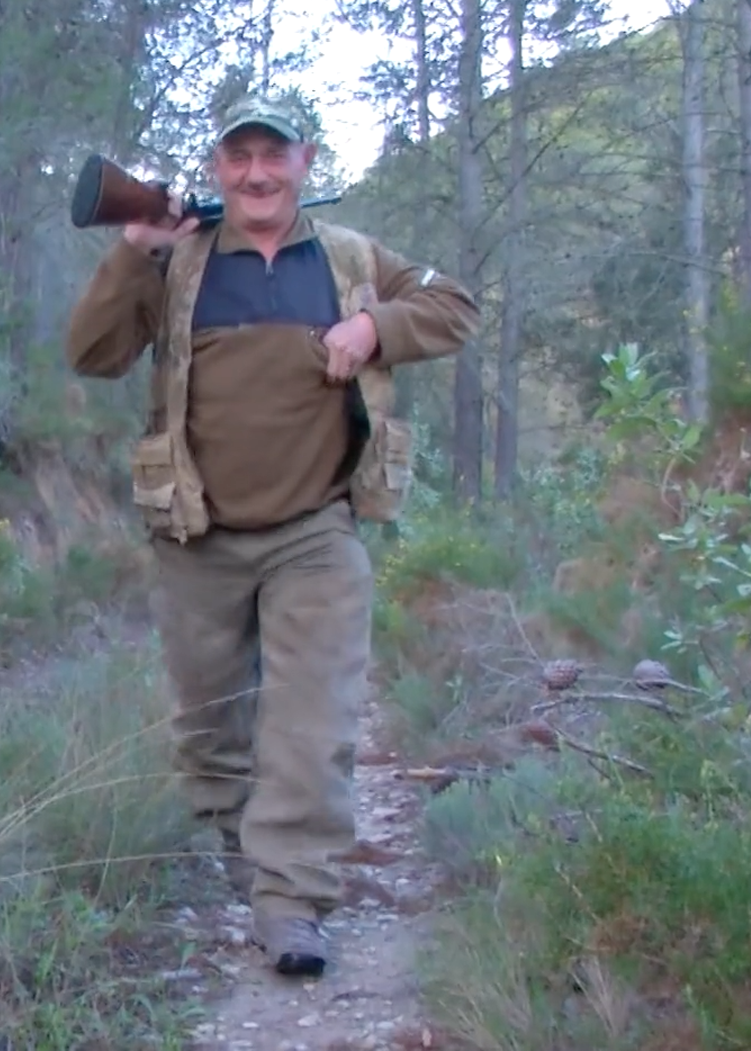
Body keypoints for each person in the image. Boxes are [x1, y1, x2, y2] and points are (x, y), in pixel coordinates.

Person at [63, 93, 479, 978]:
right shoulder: (179, 262)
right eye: (240, 156)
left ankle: (292, 902)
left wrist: (376, 326)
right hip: (196, 532)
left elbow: (457, 307)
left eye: (274, 155)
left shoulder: (351, 258)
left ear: (306, 161)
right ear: (217, 167)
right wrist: (135, 251)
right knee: (211, 729)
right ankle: (242, 857)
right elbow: (92, 354)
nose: (257, 173)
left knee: (311, 722)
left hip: (315, 531)